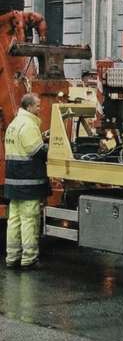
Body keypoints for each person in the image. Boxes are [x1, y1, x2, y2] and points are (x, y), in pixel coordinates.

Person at [4, 93, 48, 270]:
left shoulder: (13, 124)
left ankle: (12, 256)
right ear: (29, 107)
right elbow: (36, 152)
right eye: (37, 105)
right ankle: (29, 258)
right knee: (29, 219)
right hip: (28, 181)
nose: (40, 108)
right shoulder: (28, 125)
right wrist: (51, 147)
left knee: (14, 220)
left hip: (14, 181)